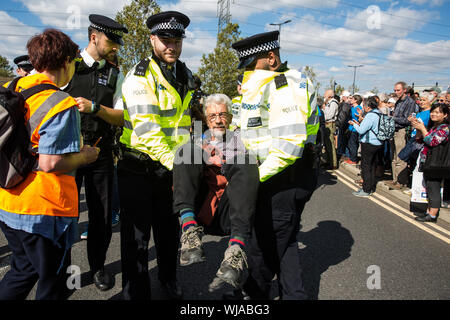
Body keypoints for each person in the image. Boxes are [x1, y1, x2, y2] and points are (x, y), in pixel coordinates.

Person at [0, 29, 99, 300]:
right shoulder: (60, 102)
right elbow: (51, 162)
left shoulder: (15, 88)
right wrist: (86, 156)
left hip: (9, 200)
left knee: (22, 270)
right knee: (54, 281)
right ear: (66, 62)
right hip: (44, 209)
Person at [229, 30, 320, 300]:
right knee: (286, 241)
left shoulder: (284, 84)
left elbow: (289, 146)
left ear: (271, 58)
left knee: (263, 247)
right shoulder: (276, 82)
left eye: (250, 67)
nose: (247, 73)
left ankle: (251, 296)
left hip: (281, 178)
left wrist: (255, 178)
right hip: (283, 175)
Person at [117, 11, 194, 300]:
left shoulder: (186, 74)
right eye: (165, 40)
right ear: (152, 40)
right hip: (138, 168)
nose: (171, 46)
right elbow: (148, 131)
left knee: (168, 231)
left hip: (170, 168)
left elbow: (188, 120)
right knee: (136, 239)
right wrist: (180, 165)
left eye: (176, 40)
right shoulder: (139, 77)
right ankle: (135, 293)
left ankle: (169, 279)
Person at [63, 14, 127, 292]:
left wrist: (95, 109)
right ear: (94, 37)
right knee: (66, 214)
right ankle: (64, 270)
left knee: (100, 215)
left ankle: (98, 267)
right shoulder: (68, 67)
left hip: (101, 153)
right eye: (112, 41)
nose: (116, 46)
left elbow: (121, 117)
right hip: (68, 153)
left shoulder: (115, 73)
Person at [173, 93, 259, 291]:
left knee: (247, 161)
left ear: (230, 117)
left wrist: (228, 163)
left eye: (223, 115)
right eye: (212, 116)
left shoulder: (243, 141)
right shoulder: (196, 139)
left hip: (231, 209)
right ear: (205, 118)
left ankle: (235, 251)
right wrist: (204, 158)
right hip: (201, 206)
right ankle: (189, 231)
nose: (218, 120)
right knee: (185, 152)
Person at [410, 103, 449, 223]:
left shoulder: (445, 128)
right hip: (428, 161)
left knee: (434, 187)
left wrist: (422, 128)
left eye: (438, 112)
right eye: (433, 111)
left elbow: (432, 141)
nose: (434, 114)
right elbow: (420, 139)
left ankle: (432, 215)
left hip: (437, 162)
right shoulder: (434, 126)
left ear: (445, 114)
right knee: (430, 186)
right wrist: (418, 129)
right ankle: (428, 211)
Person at [349, 96, 383, 197]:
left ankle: (366, 189)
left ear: (368, 107)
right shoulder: (379, 113)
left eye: (364, 106)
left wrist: (354, 124)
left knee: (366, 167)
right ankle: (370, 187)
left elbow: (361, 130)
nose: (363, 107)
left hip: (369, 144)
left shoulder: (370, 115)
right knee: (372, 166)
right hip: (378, 143)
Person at [387, 81, 418, 190]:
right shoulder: (398, 101)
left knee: (400, 157)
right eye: (395, 90)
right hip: (393, 129)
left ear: (404, 90)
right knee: (394, 156)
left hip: (401, 131)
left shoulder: (409, 102)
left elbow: (407, 120)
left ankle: (401, 181)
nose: (396, 92)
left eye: (398, 90)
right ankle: (395, 179)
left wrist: (392, 118)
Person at [322, 89, 339, 169]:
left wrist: (323, 111)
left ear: (330, 95)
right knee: (327, 145)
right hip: (327, 124)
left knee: (330, 145)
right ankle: (328, 162)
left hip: (330, 124)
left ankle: (333, 163)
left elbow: (329, 115)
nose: (324, 95)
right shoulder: (328, 103)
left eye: (325, 94)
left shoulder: (333, 103)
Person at [345, 94, 363, 165]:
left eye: (352, 98)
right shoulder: (352, 107)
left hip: (355, 129)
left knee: (353, 144)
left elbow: (360, 118)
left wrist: (358, 118)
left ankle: (353, 159)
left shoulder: (358, 108)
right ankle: (351, 157)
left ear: (356, 100)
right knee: (350, 143)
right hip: (350, 127)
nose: (350, 100)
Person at [336, 90, 351, 162]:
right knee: (343, 141)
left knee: (342, 140)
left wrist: (338, 124)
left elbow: (342, 116)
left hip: (343, 125)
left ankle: (341, 154)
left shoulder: (345, 105)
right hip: (345, 125)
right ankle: (342, 154)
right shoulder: (347, 104)